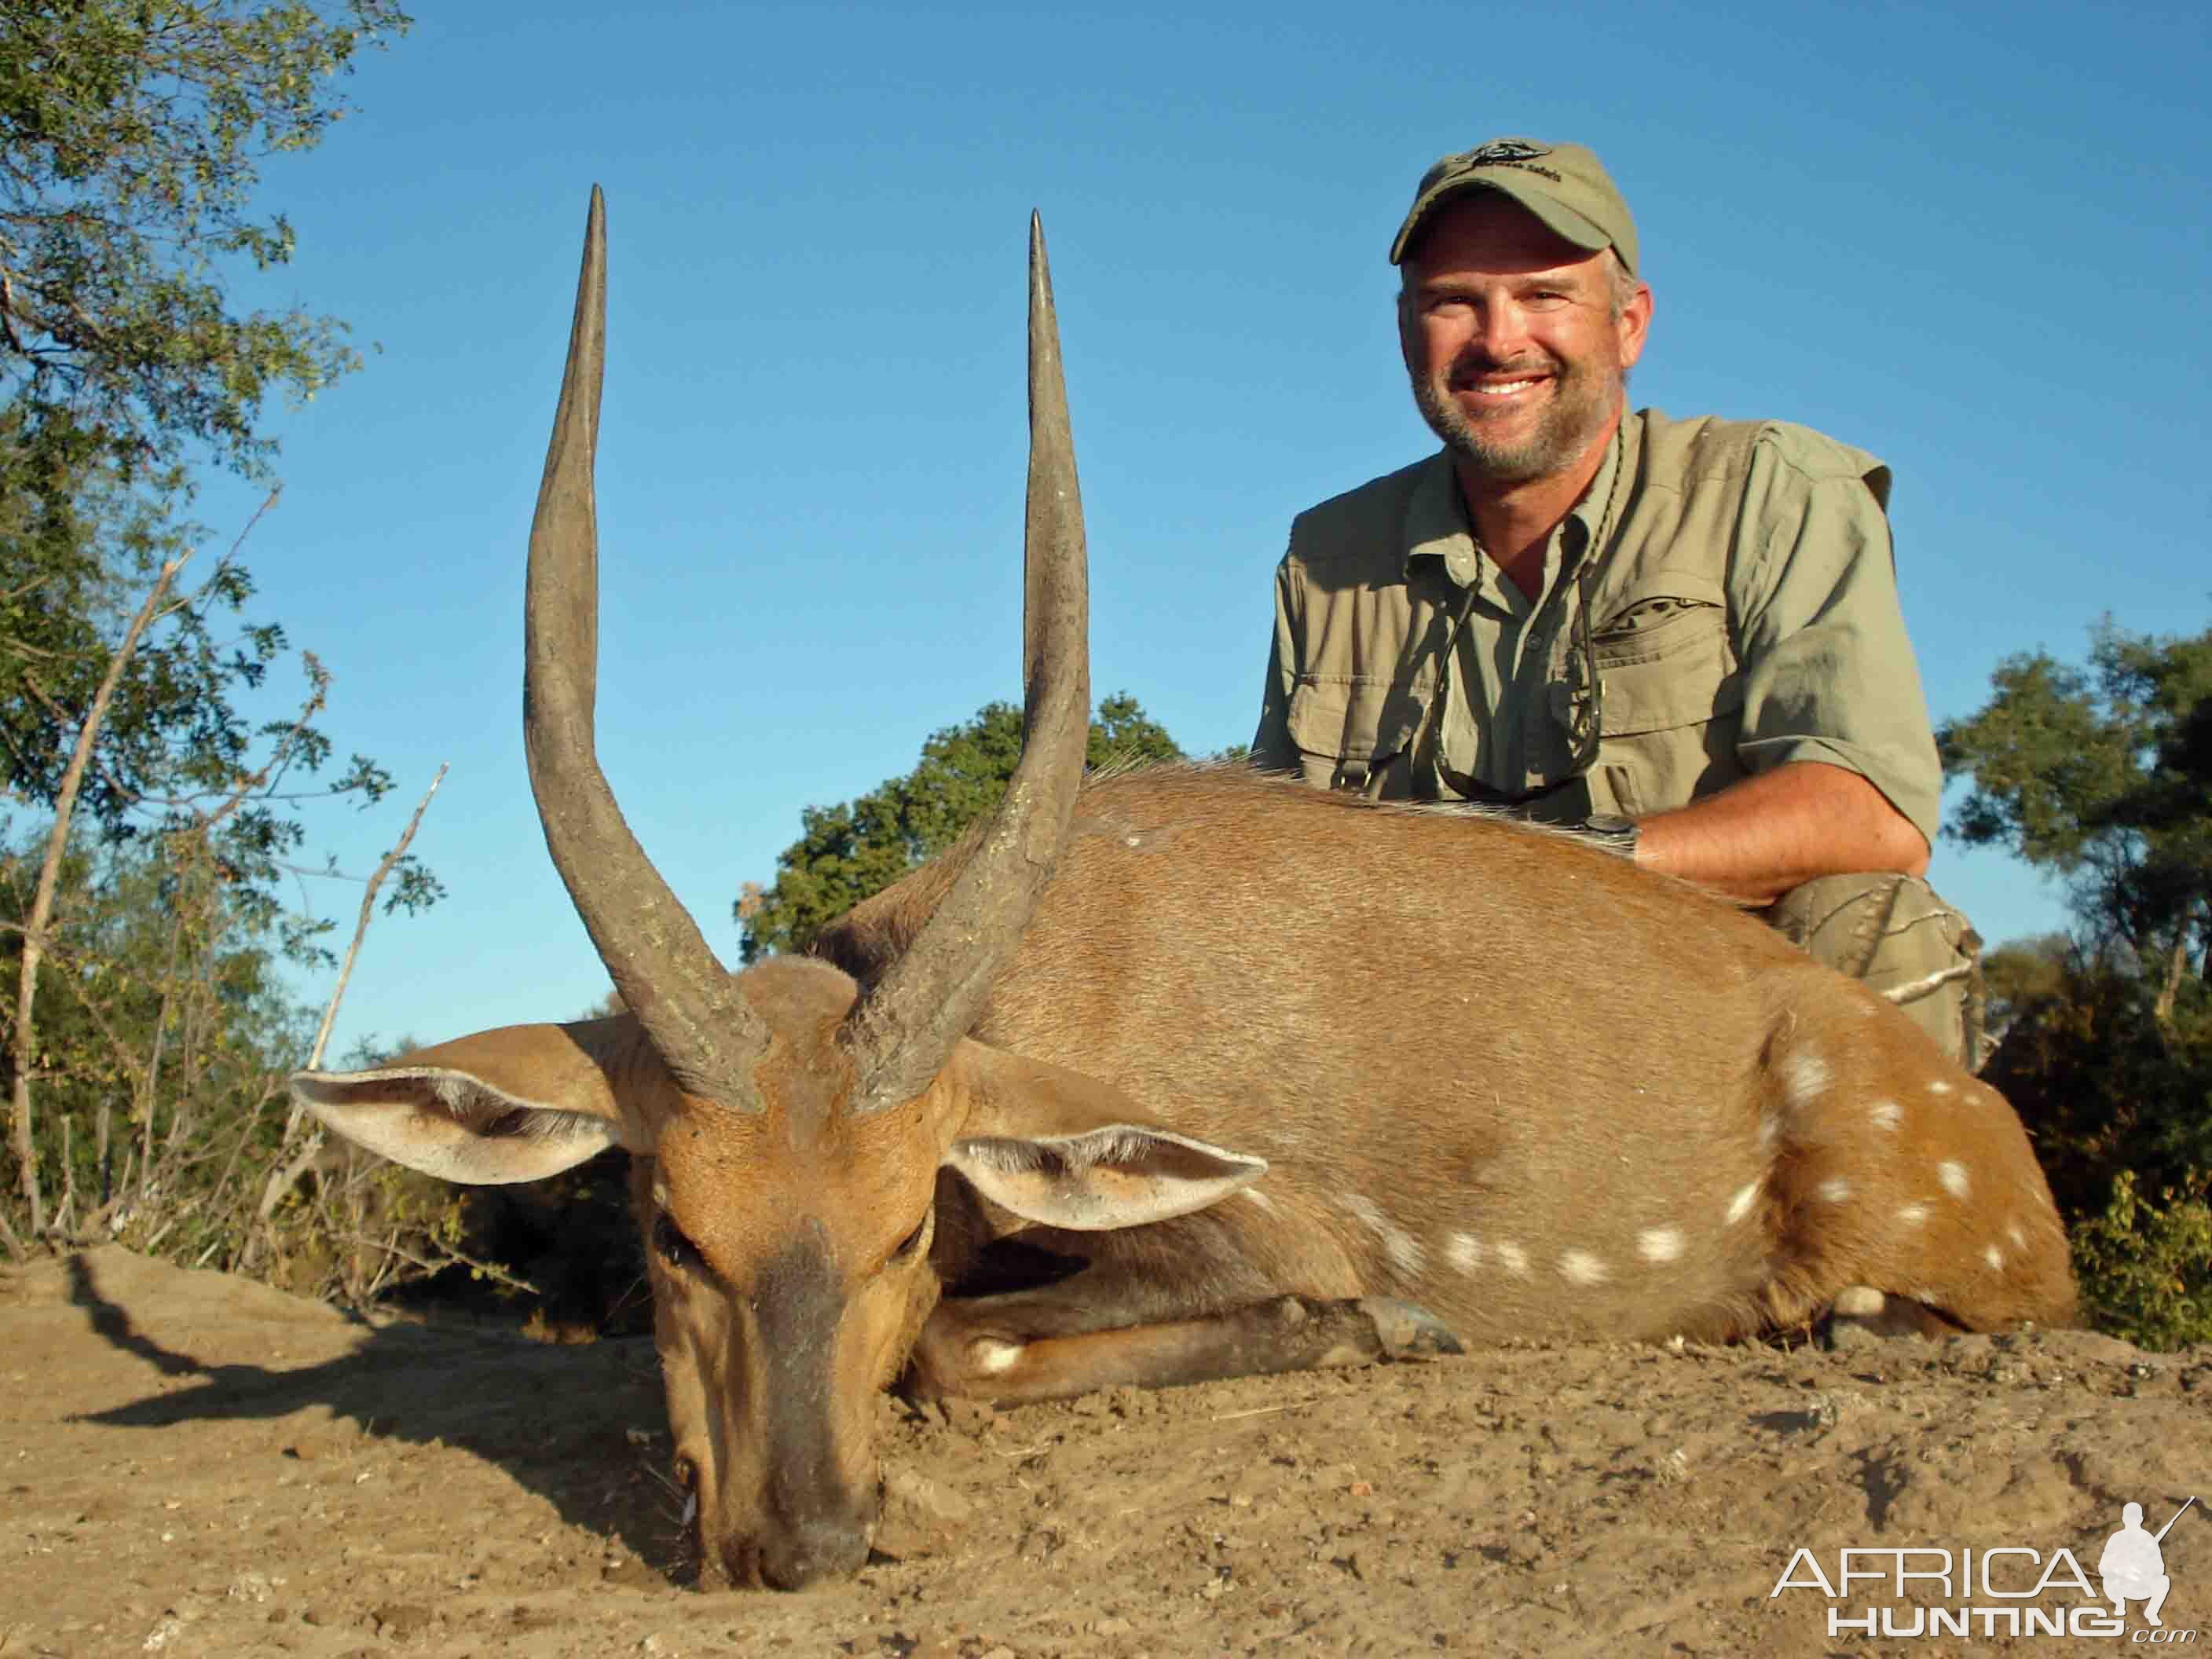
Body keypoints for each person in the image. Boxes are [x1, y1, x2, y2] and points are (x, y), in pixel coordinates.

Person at [1251, 137, 1987, 1067]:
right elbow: (1273, 853)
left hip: (1706, 1023)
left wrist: (1550, 870)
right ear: (1405, 330)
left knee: (1879, 924)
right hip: (1427, 1026)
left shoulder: (1773, 488)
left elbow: (1869, 814)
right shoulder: (1328, 552)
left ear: (1629, 324)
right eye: (1454, 301)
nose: (1498, 338)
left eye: (1542, 295)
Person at [2097, 1503, 2172, 1625]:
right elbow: (2103, 1568)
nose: (2132, 1522)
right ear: (2124, 1519)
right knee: (2109, 1581)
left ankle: (2152, 1612)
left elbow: (2160, 1568)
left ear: (2141, 1519)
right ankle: (2120, 1604)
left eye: (2135, 1519)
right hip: (2121, 1586)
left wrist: (2145, 1568)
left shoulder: (2148, 1539)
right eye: (2129, 1518)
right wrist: (2121, 1570)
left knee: (2164, 1581)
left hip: (2142, 1586)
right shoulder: (2116, 1538)